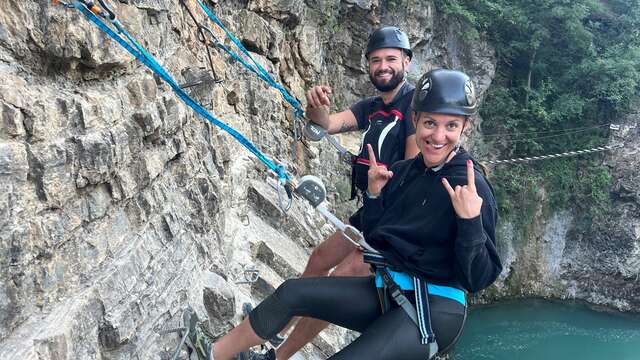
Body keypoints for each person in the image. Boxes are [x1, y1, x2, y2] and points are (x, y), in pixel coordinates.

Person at [184, 68, 502, 360]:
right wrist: (376, 195)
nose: (438, 135)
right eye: (430, 123)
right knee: (292, 293)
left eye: (451, 126)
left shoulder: (471, 187)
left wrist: (470, 222)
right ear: (415, 119)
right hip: (389, 288)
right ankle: (214, 355)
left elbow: (478, 279)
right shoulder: (406, 172)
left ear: (465, 127)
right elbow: (377, 238)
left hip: (435, 310)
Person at [244, 26, 419, 360]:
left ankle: (276, 358)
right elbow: (324, 126)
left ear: (406, 62)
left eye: (391, 59)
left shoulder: (413, 106)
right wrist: (317, 106)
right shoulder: (373, 106)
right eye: (376, 60)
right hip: (372, 209)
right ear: (368, 65)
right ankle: (277, 329)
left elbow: (412, 171)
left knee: (336, 284)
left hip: (394, 221)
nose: (383, 66)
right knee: (320, 258)